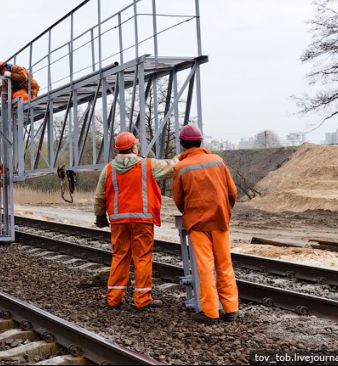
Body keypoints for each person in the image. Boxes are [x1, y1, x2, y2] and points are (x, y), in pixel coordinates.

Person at [93, 132, 177, 310]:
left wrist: (100, 216)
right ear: (133, 147)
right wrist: (184, 156)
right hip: (142, 220)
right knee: (142, 258)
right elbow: (171, 167)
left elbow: (99, 196)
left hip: (118, 221)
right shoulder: (148, 165)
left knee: (120, 256)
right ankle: (142, 300)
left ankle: (114, 298)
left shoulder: (108, 169)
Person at [172, 124, 239, 324]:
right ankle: (231, 309)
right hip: (220, 220)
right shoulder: (218, 161)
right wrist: (225, 210)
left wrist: (189, 212)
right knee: (224, 264)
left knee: (205, 267)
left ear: (183, 145)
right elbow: (232, 192)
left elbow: (179, 199)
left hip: (197, 223)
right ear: (201, 142)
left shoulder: (181, 168)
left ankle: (210, 312)